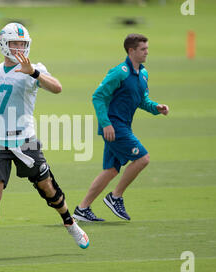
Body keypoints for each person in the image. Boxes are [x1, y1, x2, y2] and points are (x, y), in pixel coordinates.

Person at [0, 23, 89, 259]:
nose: (19, 48)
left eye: (23, 44)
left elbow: (57, 88)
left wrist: (34, 73)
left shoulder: (34, 68)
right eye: (14, 44)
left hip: (24, 140)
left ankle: (70, 223)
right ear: (3, 45)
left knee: (46, 187)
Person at [72, 34, 169, 222]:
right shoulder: (119, 72)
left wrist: (156, 108)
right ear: (131, 51)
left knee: (111, 170)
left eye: (147, 48)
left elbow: (142, 100)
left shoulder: (143, 73)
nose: (147, 52)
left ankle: (82, 209)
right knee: (143, 158)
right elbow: (98, 96)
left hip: (122, 126)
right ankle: (115, 197)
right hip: (114, 126)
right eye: (143, 49)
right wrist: (106, 123)